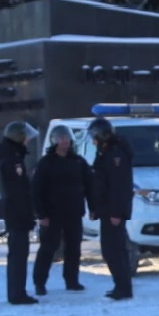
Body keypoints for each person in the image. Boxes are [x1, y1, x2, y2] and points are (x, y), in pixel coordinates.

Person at [31, 124, 93, 295]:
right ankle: (40, 283)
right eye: (60, 138)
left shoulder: (78, 162)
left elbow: (89, 186)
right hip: (52, 214)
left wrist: (93, 207)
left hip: (73, 212)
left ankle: (72, 281)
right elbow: (37, 190)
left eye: (66, 138)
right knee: (48, 249)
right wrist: (41, 213)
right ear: (54, 141)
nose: (64, 141)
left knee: (74, 248)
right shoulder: (46, 163)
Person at [88, 116, 136, 301]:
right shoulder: (106, 152)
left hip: (113, 211)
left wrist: (116, 212)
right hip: (107, 209)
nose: (93, 140)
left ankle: (123, 288)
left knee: (114, 250)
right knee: (112, 250)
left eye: (95, 136)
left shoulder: (115, 154)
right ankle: (120, 286)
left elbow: (118, 186)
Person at [0, 121, 40, 305]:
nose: (28, 141)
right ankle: (17, 293)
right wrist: (25, 216)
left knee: (19, 255)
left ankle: (18, 291)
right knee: (18, 255)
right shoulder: (12, 160)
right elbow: (17, 193)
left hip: (17, 214)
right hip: (17, 215)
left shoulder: (12, 156)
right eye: (26, 138)